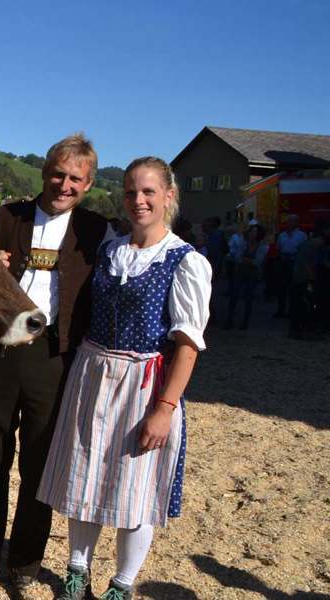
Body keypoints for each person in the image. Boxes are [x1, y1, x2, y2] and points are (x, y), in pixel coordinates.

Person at [38, 157, 212, 600]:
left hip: (143, 383)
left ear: (169, 196)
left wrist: (166, 409)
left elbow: (188, 346)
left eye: (149, 191)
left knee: (135, 491)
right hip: (92, 373)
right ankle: (77, 572)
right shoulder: (110, 251)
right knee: (85, 476)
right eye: (132, 191)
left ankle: (122, 584)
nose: (139, 200)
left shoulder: (184, 261)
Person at [0, 133, 111, 600]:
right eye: (58, 173)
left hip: (55, 357)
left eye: (76, 179)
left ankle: (26, 563)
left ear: (87, 184)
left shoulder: (97, 231)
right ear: (45, 170)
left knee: (40, 466)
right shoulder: (5, 216)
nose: (64, 184)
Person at [224, 223, 267, 329]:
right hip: (240, 271)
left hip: (252, 273)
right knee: (234, 296)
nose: (252, 234)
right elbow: (238, 257)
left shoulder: (262, 246)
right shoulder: (244, 244)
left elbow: (257, 262)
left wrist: (245, 260)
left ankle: (245, 322)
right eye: (251, 232)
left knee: (248, 298)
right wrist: (248, 260)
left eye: (254, 232)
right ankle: (230, 321)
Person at [274, 214, 307, 317]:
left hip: (295, 263)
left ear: (297, 223)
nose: (289, 223)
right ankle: (280, 310)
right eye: (288, 221)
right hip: (283, 263)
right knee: (281, 288)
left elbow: (304, 251)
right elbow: (278, 248)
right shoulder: (282, 235)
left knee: (293, 289)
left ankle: (292, 311)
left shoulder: (302, 235)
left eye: (292, 221)